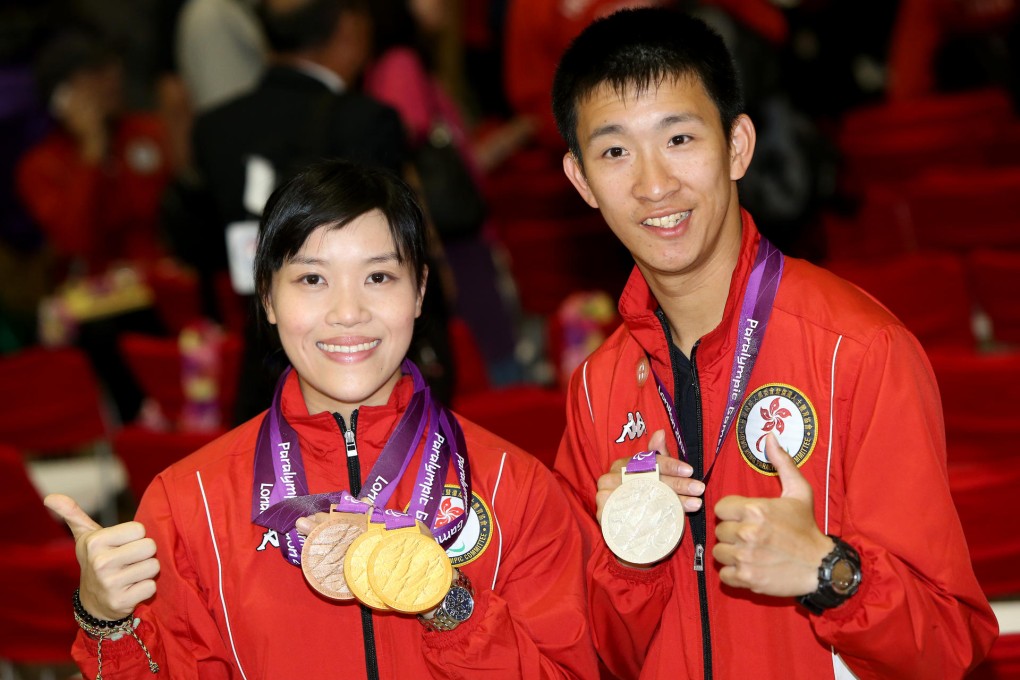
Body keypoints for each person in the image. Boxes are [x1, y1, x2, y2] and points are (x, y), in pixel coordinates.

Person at [549, 7, 998, 679]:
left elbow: (952, 645)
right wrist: (625, 558)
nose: (653, 184)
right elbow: (589, 655)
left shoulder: (859, 349)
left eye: (679, 138)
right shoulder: (597, 389)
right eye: (615, 151)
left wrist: (829, 572)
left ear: (737, 146)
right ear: (582, 179)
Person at [44, 159, 600, 679]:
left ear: (420, 291)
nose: (348, 313)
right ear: (267, 297)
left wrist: (447, 600)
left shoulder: (514, 486)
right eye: (312, 279)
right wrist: (104, 618)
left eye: (379, 278)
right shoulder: (190, 504)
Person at [365, 0, 532, 385]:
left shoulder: (404, 61)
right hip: (452, 236)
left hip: (452, 232)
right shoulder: (401, 62)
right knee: (495, 356)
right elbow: (407, 147)